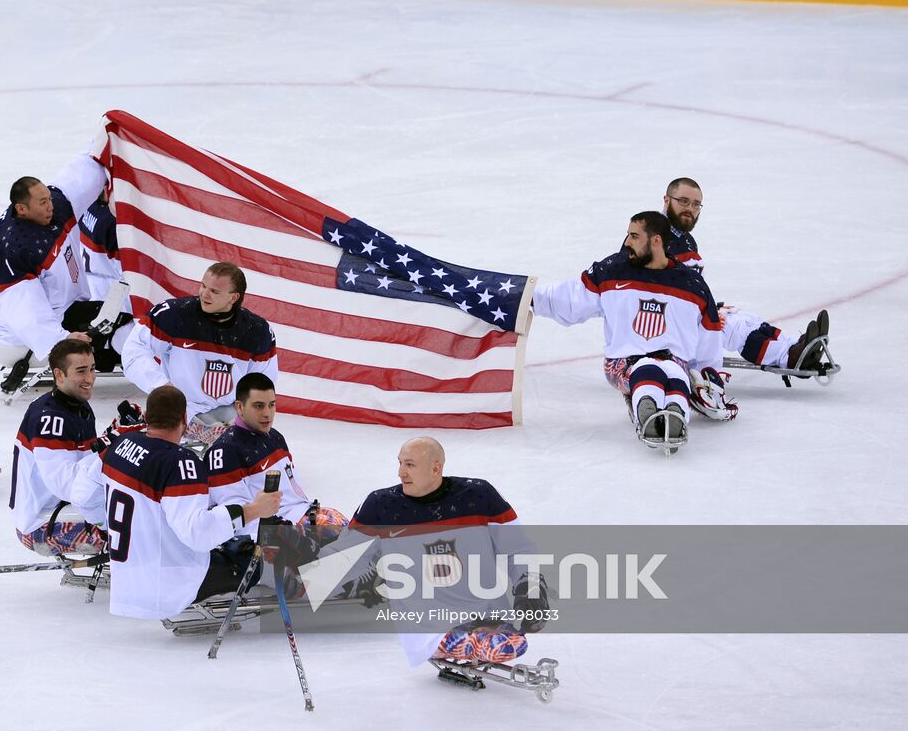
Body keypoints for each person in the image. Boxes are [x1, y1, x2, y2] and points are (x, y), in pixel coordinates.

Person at [343, 437, 549, 667]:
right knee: (497, 645)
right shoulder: (380, 505)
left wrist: (531, 587)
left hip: (485, 615)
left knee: (511, 644)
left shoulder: (479, 495)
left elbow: (518, 549)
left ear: (435, 468)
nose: (400, 473)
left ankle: (477, 638)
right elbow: (341, 559)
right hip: (429, 625)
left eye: (410, 465)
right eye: (400, 463)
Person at [532, 211, 723, 445]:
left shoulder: (691, 283)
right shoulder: (613, 270)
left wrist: (710, 373)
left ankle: (675, 416)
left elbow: (709, 332)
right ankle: (650, 416)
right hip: (621, 362)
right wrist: (525, 297)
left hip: (675, 362)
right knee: (648, 368)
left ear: (656, 240)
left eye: (634, 236)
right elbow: (570, 299)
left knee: (675, 375)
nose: (627, 242)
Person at [97, 384, 282, 620]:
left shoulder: (120, 445)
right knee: (254, 557)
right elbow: (198, 533)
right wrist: (253, 510)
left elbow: (87, 494)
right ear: (184, 418)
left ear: (148, 415)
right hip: (169, 587)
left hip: (127, 582)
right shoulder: (179, 463)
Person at [660, 177, 832, 415]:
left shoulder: (683, 238)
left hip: (688, 315)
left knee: (741, 316)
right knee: (734, 328)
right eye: (683, 201)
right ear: (666, 200)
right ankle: (789, 357)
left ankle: (796, 345)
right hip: (670, 329)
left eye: (696, 204)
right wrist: (701, 314)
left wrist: (707, 307)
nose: (690, 209)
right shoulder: (653, 238)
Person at [0, 148, 129, 386]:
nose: (50, 206)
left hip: (63, 310)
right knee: (124, 328)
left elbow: (78, 178)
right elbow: (23, 309)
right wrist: (61, 340)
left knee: (121, 320)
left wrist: (104, 146)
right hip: (23, 337)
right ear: (22, 209)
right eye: (43, 202)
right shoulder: (17, 249)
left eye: (49, 198)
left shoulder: (53, 208)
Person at [120, 262, 277, 442]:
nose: (204, 294)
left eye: (214, 291)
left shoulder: (257, 331)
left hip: (229, 416)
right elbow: (133, 352)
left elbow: (263, 384)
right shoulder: (173, 315)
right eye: (203, 286)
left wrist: (242, 418)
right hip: (177, 410)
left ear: (233, 297)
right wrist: (163, 388)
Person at [206, 372, 348, 548]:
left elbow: (294, 494)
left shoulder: (275, 436)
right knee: (353, 545)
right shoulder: (225, 451)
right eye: (259, 406)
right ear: (240, 407)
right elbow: (235, 520)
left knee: (361, 534)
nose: (267, 413)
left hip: (304, 514)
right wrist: (283, 537)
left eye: (271, 405)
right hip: (276, 534)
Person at [10, 339, 115, 556]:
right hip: (41, 527)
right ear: (59, 375)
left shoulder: (75, 405)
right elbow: (68, 486)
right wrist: (113, 449)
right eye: (81, 371)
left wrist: (113, 436)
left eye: (92, 369)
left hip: (64, 511)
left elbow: (83, 461)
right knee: (139, 527)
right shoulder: (50, 420)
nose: (90, 378)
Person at [78, 189, 123, 302]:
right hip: (112, 291)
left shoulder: (86, 204)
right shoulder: (113, 224)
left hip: (91, 285)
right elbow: (126, 276)